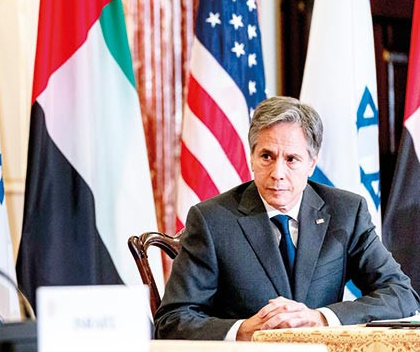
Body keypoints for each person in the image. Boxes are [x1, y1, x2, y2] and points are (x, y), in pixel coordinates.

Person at [154, 96, 419, 341]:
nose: (277, 173)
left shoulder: (346, 212)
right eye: (266, 157)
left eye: (292, 159)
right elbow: (172, 320)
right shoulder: (212, 220)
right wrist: (242, 331)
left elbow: (401, 293)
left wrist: (321, 318)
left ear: (312, 163)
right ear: (251, 158)